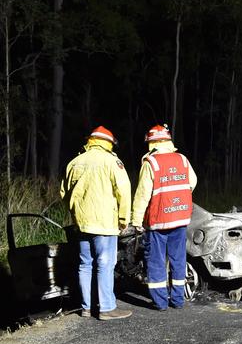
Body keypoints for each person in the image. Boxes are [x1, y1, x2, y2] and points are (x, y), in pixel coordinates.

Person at [60, 126, 133, 320]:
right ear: (108, 143)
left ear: (90, 141)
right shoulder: (112, 162)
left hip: (82, 223)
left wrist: (76, 213)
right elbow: (124, 191)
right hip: (105, 223)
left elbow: (64, 193)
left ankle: (86, 307)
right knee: (105, 263)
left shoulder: (74, 162)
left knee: (85, 264)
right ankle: (107, 308)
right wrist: (124, 219)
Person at [131, 124, 197, 310]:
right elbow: (192, 181)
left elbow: (143, 194)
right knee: (178, 259)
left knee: (156, 261)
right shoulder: (182, 159)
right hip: (180, 218)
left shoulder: (150, 162)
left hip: (158, 221)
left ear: (152, 142)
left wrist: (136, 220)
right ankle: (177, 300)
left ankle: (160, 302)